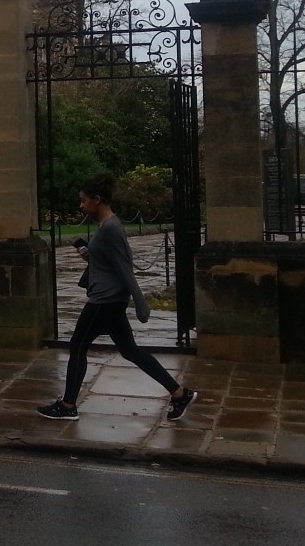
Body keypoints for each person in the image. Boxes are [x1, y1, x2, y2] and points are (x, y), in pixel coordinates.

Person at [38, 173, 196, 422]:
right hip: (111, 300)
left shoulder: (111, 228)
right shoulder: (105, 226)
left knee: (78, 346)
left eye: (83, 200)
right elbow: (108, 263)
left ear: (96, 199)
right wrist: (89, 255)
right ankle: (179, 394)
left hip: (104, 301)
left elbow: (124, 267)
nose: (81, 206)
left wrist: (141, 304)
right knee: (130, 351)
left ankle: (68, 406)